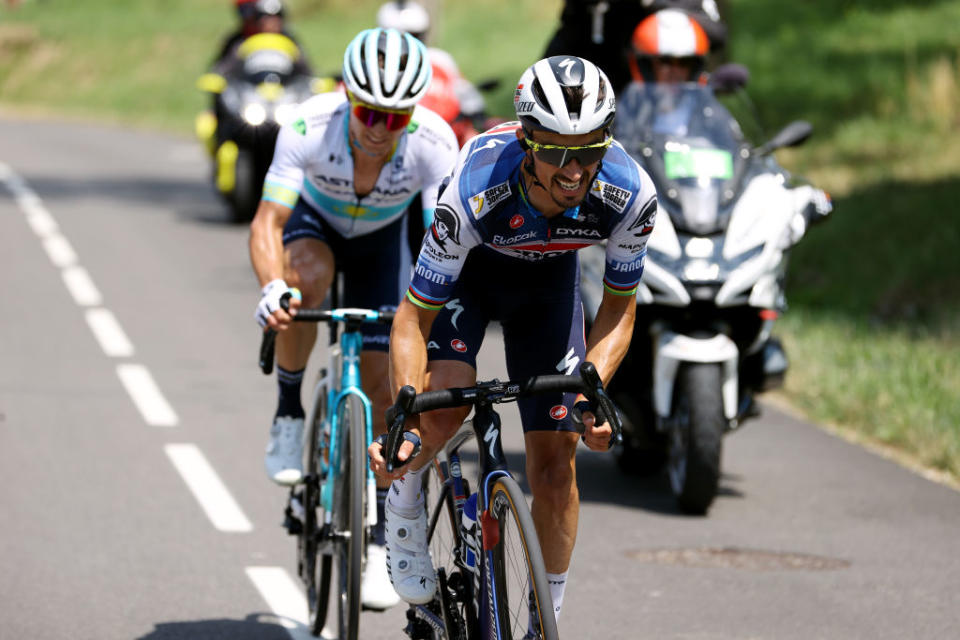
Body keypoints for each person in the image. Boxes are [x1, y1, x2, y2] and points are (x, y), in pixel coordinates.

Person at [367, 56, 658, 627]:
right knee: (442, 409)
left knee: (555, 467)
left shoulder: (629, 193)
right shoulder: (476, 188)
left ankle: (546, 616)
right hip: (469, 282)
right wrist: (404, 411)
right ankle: (402, 508)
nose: (574, 170)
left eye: (590, 149)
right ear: (527, 144)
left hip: (547, 292)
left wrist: (592, 391)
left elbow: (620, 311)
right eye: (555, 151)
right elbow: (411, 320)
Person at [249, 27, 459, 610]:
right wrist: (272, 287)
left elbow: (442, 240)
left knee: (381, 380)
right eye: (368, 112)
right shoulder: (308, 126)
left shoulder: (432, 141)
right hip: (313, 227)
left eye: (395, 118)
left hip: (381, 242)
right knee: (305, 281)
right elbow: (268, 221)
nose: (378, 129)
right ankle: (290, 413)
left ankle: (368, 536)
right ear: (347, 96)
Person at [543, 0, 727, 92]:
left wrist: (654, 4)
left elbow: (717, 34)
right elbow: (568, 34)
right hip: (599, 95)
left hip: (666, 95)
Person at [376, 0, 488, 147]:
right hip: (401, 135)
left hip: (446, 131)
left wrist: (475, 110)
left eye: (414, 36)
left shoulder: (440, 60)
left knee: (472, 137)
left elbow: (463, 89)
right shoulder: (376, 65)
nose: (409, 44)